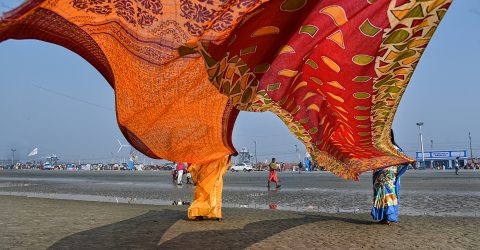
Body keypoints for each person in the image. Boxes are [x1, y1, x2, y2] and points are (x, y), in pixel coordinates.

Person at [371, 130, 407, 225]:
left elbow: (403, 161)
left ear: (390, 137)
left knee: (390, 197)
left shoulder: (395, 149)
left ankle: (391, 218)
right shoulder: (378, 149)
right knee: (381, 197)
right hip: (379, 179)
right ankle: (383, 218)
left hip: (390, 179)